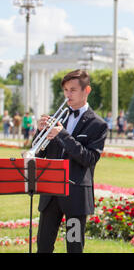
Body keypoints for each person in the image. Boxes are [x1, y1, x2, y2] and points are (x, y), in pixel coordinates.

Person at [35, 69, 107, 253]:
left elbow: (89, 159)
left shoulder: (98, 124)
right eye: (66, 90)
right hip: (50, 193)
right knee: (43, 246)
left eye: (73, 90)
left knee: (74, 247)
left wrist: (63, 135)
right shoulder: (57, 118)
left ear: (87, 90)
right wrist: (39, 132)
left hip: (76, 196)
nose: (68, 94)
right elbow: (39, 154)